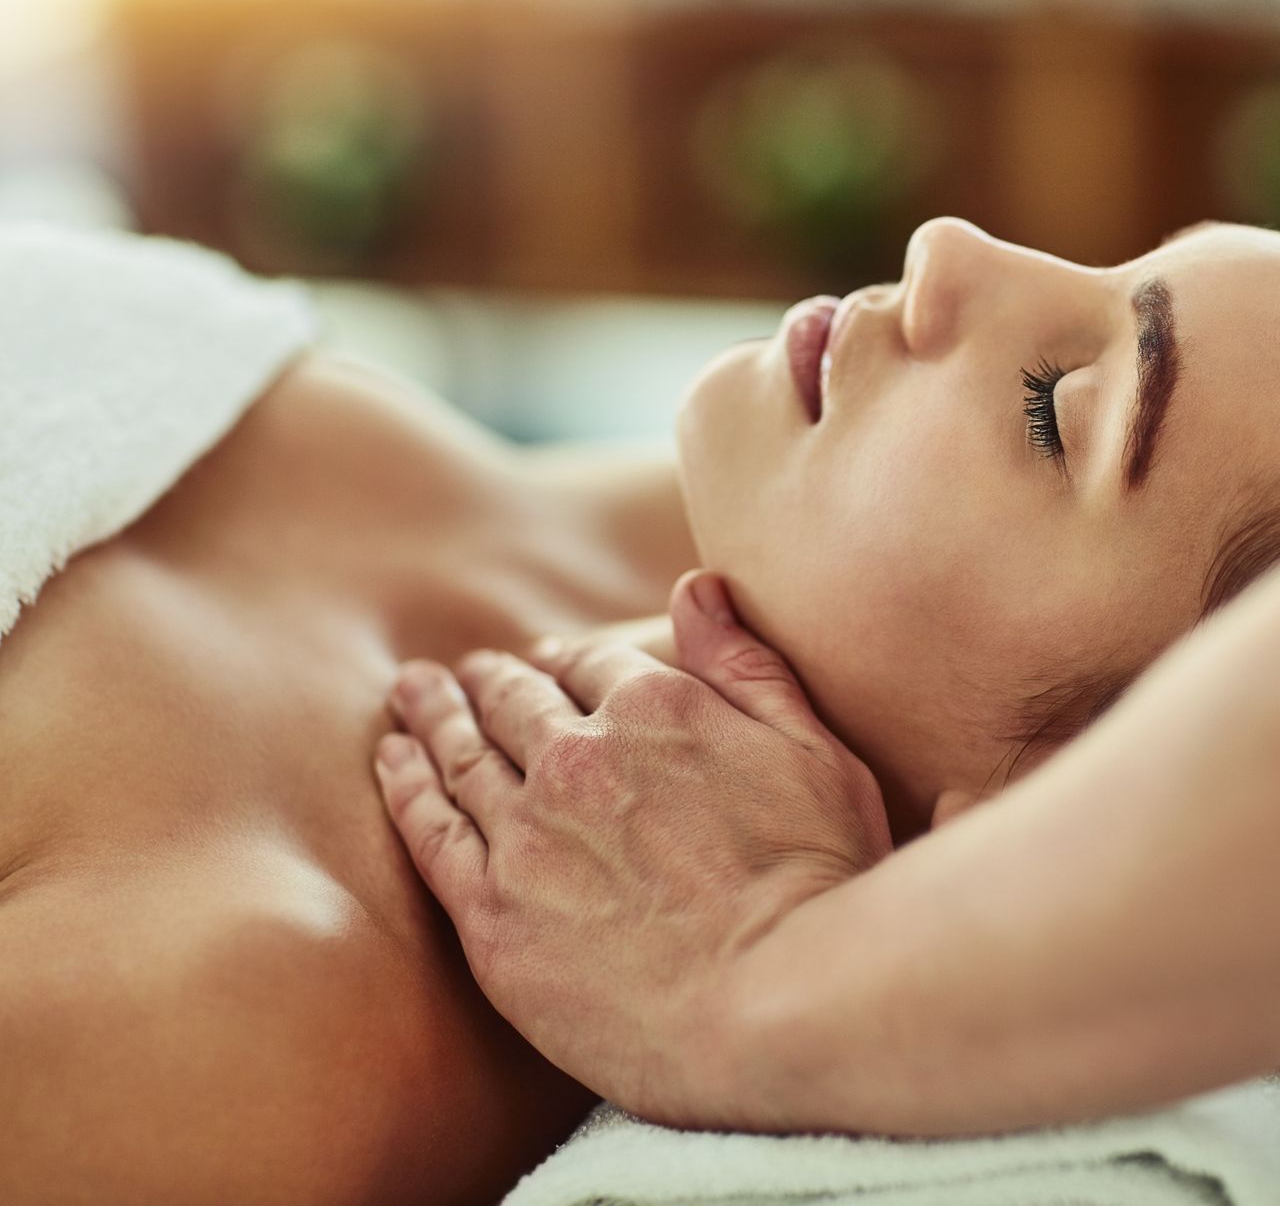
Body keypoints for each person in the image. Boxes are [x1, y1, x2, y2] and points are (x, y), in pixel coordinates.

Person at [3, 215, 1279, 1203]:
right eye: (1115, 266)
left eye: (1053, 410)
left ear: (1051, 803)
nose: (947, 250)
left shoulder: (248, 1020)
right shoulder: (701, 526)